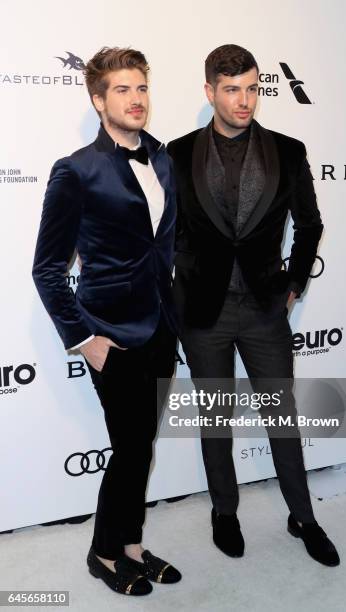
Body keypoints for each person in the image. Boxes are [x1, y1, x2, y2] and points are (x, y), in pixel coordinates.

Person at [167, 44, 340, 567]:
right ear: (209, 92)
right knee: (215, 417)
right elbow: (163, 229)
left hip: (266, 308)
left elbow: (309, 225)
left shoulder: (288, 150)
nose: (245, 100)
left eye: (252, 88)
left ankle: (303, 517)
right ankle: (225, 511)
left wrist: (293, 285)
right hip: (203, 311)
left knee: (281, 416)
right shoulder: (176, 153)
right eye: (232, 90)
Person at [32, 46, 181, 596]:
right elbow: (46, 269)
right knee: (129, 446)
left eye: (141, 88)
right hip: (111, 335)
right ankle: (103, 551)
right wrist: (84, 340)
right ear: (98, 101)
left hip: (162, 327)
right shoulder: (75, 170)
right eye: (122, 90)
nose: (135, 99)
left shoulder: (163, 160)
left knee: (141, 445)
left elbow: (165, 247)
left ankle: (133, 545)